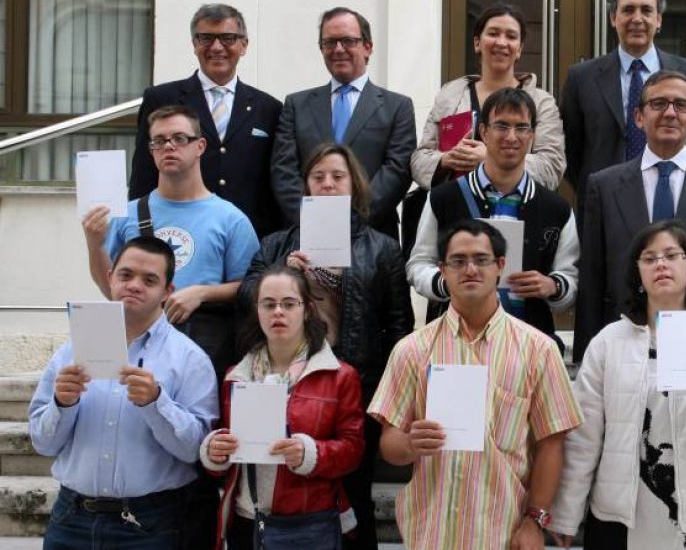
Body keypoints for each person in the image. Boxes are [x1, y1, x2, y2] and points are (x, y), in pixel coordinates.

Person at [549, 220, 686, 549]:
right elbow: (583, 438)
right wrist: (566, 513)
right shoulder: (608, 343)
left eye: (671, 255)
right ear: (637, 273)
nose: (661, 264)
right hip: (621, 518)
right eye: (649, 258)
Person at [369, 219, 583, 550]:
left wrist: (534, 520)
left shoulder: (538, 349)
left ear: (500, 266)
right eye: (458, 260)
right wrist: (410, 443)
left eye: (481, 259)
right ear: (442, 269)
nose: (470, 268)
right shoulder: (412, 350)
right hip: (431, 531)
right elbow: (390, 443)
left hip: (503, 532)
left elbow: (551, 443)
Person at [240, 143, 409, 550]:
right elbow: (247, 296)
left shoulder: (381, 246)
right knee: (282, 488)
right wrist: (285, 275)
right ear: (305, 188)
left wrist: (389, 396)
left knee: (354, 494)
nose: (328, 184)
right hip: (284, 382)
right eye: (318, 177)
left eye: (338, 176)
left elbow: (399, 323)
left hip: (355, 385)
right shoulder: (278, 243)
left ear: (355, 186)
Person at [30, 236, 219, 550]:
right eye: (126, 275)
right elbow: (42, 442)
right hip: (70, 518)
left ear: (167, 291)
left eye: (149, 280)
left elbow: (194, 452)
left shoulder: (190, 359)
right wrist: (62, 404)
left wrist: (157, 402)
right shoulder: (70, 352)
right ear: (110, 278)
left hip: (150, 524)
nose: (134, 285)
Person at [575, 69, 686, 363]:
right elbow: (591, 279)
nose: (669, 113)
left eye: (681, 105)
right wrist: (584, 355)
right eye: (658, 104)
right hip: (623, 340)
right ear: (639, 117)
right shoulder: (603, 186)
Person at [83, 104, 260, 377]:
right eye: (159, 141)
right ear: (151, 149)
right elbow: (110, 290)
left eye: (179, 138)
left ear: (200, 146)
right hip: (136, 343)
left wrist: (202, 293)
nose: (169, 146)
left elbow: (252, 288)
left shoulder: (230, 218)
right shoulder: (125, 214)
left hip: (203, 344)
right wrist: (94, 243)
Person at [201, 265, 365, 550]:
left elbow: (353, 451)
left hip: (308, 522)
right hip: (245, 519)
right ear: (257, 311)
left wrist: (310, 453)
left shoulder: (339, 375)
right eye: (269, 304)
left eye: (289, 304)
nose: (278, 311)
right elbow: (223, 448)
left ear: (308, 309)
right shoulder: (235, 375)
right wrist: (215, 451)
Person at [407, 88, 578, 349]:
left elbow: (571, 280)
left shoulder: (556, 209)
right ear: (484, 132)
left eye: (521, 128)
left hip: (529, 348)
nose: (511, 136)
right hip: (455, 345)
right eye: (502, 126)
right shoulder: (444, 199)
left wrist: (552, 285)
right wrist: (447, 281)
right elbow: (418, 264)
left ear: (532, 136)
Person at [130, 3, 283, 238]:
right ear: (194, 44)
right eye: (206, 38)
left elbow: (275, 182)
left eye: (228, 38)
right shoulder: (161, 98)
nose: (217, 47)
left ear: (244, 45)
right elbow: (143, 172)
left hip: (250, 236)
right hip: (178, 232)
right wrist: (140, 233)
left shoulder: (269, 108)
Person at [561, 0, 686, 216]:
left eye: (646, 10)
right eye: (628, 10)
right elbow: (571, 150)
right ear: (613, 18)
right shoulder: (582, 78)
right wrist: (600, 186)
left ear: (658, 20)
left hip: (669, 201)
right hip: (603, 206)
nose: (637, 19)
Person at [272, 6, 417, 239]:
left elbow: (397, 171)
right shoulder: (296, 105)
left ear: (367, 47)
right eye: (330, 42)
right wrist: (312, 219)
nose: (338, 49)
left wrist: (349, 221)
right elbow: (283, 169)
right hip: (306, 235)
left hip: (372, 236)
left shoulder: (397, 107)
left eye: (348, 41)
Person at [410, 2, 565, 191]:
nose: (501, 42)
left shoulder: (541, 103)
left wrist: (490, 160)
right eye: (493, 33)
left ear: (519, 49)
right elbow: (419, 160)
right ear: (477, 43)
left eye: (511, 36)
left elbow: (552, 167)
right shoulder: (450, 95)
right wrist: (445, 160)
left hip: (516, 210)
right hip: (456, 209)